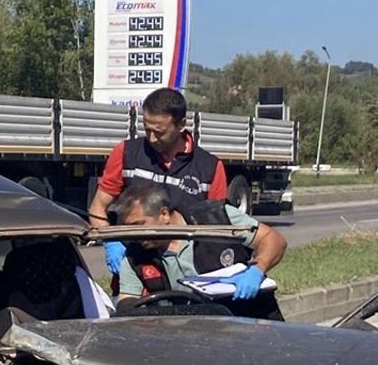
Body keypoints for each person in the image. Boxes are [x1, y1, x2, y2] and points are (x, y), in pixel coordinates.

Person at [88, 87, 231, 277]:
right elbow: (97, 207)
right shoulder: (126, 153)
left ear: (181, 125)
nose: (152, 138)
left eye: (160, 132)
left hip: (187, 274)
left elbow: (218, 231)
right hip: (134, 268)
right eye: (147, 129)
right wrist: (110, 242)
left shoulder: (209, 167)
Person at [113, 183, 287, 319]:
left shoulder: (217, 218)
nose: (135, 235)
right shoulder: (135, 255)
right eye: (128, 228)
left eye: (139, 226)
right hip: (193, 335)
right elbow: (127, 297)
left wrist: (257, 269)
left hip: (252, 321)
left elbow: (273, 240)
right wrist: (134, 310)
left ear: (164, 214)